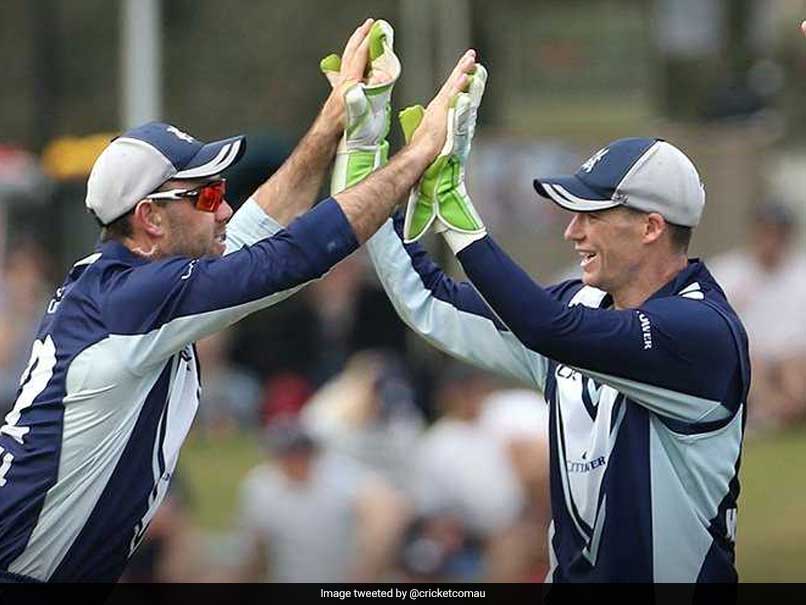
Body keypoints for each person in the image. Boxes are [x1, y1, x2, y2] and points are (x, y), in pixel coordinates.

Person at [0, 17, 480, 581]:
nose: (224, 209)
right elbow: (295, 255)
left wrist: (332, 122)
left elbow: (262, 231)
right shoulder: (137, 299)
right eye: (206, 195)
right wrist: (419, 153)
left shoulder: (131, 281)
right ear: (150, 218)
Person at [364, 132, 750, 581]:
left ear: (651, 227)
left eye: (593, 214)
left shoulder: (702, 332)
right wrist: (369, 178)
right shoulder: (577, 312)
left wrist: (456, 217)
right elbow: (430, 300)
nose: (573, 231)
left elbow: (545, 327)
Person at [234, 420, 407, 582]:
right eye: (289, 454)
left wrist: (367, 568)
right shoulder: (261, 485)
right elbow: (255, 547)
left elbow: (387, 510)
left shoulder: (341, 478)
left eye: (301, 453)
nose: (296, 461)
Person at [708, 201, 806, 433]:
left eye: (777, 232)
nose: (771, 239)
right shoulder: (727, 271)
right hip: (749, 357)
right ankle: (772, 414)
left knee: (794, 371)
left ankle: (781, 412)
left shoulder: (801, 273)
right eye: (766, 231)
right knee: (752, 366)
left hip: (793, 356)